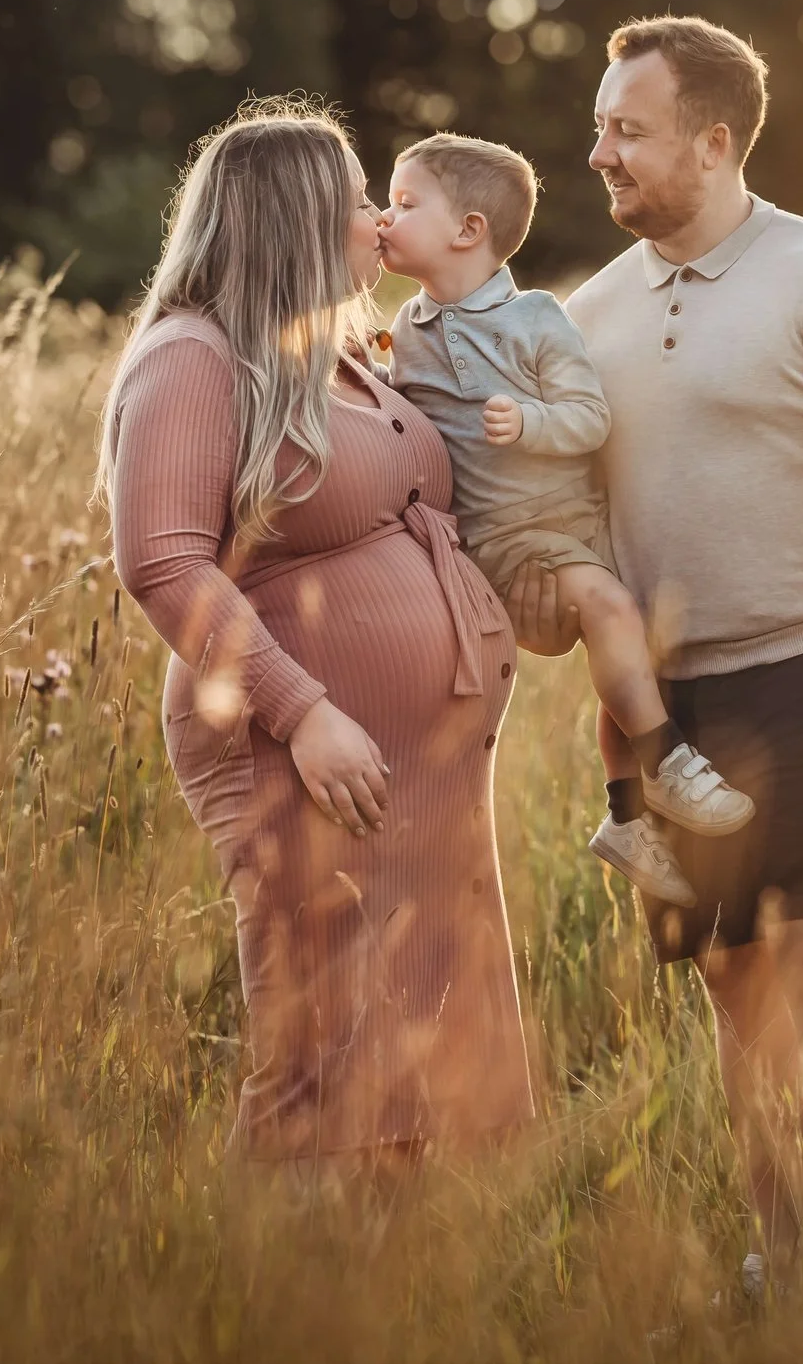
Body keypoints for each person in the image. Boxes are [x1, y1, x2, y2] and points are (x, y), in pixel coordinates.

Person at [538, 16, 803, 1282]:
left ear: (712, 142)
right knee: (734, 982)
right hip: (674, 707)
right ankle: (781, 1264)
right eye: (601, 126)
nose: (599, 151)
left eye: (629, 130)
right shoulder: (586, 312)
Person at [98, 97, 534, 1166]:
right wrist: (305, 715)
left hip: (416, 773)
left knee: (415, 1046)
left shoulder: (339, 354)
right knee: (319, 1052)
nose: (380, 224)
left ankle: (397, 1302)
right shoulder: (193, 359)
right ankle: (284, 1294)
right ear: (292, 221)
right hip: (302, 751)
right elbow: (162, 559)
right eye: (355, 206)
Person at [374, 132, 755, 908]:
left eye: (404, 204)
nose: (384, 217)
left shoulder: (537, 320)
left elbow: (590, 417)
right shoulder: (404, 331)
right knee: (611, 614)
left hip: (580, 523)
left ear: (468, 231)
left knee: (628, 657)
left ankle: (626, 815)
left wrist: (531, 423)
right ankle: (668, 762)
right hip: (509, 537)